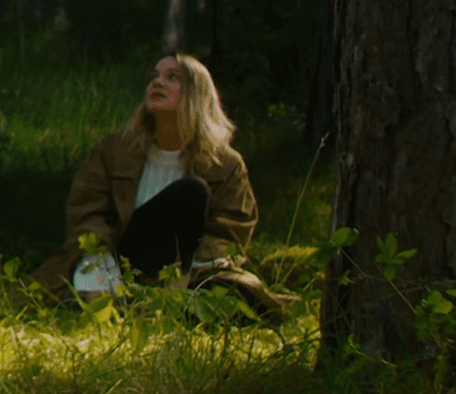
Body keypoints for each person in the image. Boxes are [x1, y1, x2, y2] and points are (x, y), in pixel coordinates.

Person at [32, 53, 286, 315]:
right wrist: (98, 261)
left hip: (191, 272)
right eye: (153, 76)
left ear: (197, 93)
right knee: (191, 193)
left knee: (240, 296)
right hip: (121, 261)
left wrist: (193, 272)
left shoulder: (226, 164)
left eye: (172, 77)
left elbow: (230, 230)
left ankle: (162, 303)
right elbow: (88, 213)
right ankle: (121, 299)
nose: (157, 82)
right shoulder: (113, 151)